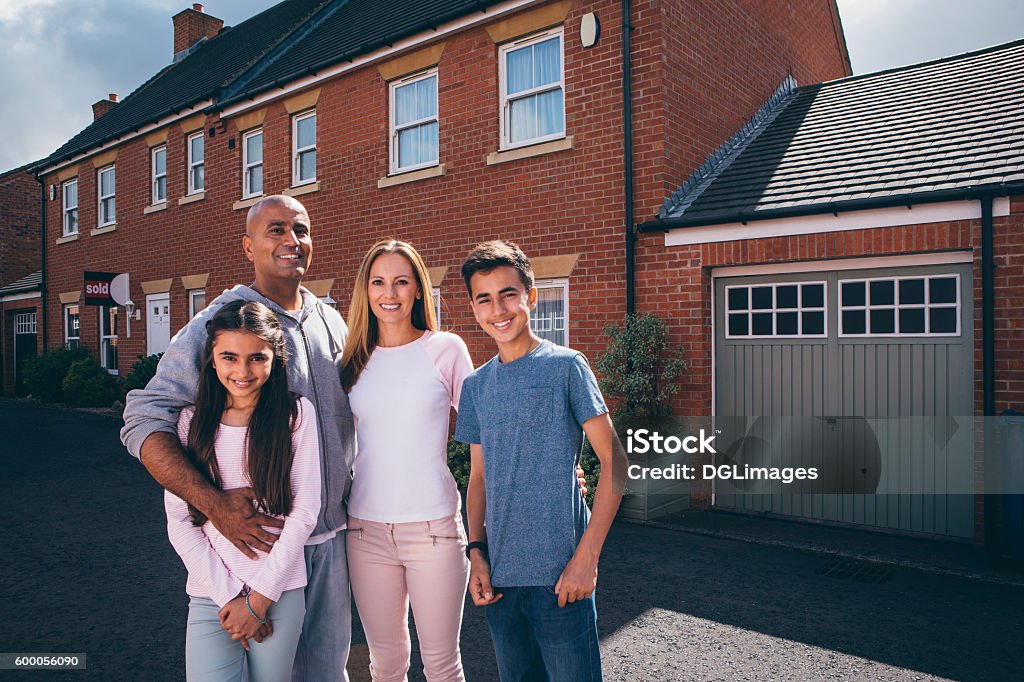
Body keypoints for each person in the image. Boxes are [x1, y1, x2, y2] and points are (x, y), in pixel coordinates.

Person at [121, 195, 356, 681]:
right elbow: (144, 418)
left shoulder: (331, 320)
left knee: (327, 673)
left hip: (331, 538)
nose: (292, 241)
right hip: (256, 549)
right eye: (276, 230)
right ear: (248, 246)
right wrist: (213, 504)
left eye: (301, 230)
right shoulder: (221, 322)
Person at [454, 240, 628, 682]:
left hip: (562, 580)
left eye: (508, 294)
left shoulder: (566, 367)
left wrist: (586, 559)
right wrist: (477, 555)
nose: (498, 308)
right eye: (485, 298)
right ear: (473, 308)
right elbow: (478, 479)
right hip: (500, 584)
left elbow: (616, 464)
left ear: (530, 296)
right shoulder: (475, 387)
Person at [340, 239, 473, 681]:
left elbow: (487, 434)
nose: (389, 293)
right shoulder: (351, 361)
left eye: (401, 282)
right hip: (364, 532)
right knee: (385, 666)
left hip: (433, 531)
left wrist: (558, 466)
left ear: (418, 290)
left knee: (441, 666)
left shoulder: (446, 349)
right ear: (366, 291)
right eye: (378, 282)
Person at [166, 300, 319, 681]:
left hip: (278, 593)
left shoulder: (295, 416)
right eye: (230, 357)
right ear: (212, 358)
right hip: (211, 596)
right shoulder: (190, 423)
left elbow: (304, 513)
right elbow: (179, 521)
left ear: (275, 358)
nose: (242, 371)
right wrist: (233, 601)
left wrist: (260, 598)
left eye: (256, 358)